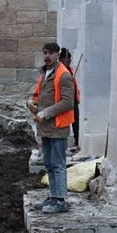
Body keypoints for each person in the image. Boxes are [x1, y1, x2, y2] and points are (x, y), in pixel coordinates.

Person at [31, 40, 78, 213]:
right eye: (45, 53)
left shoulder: (63, 75)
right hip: (45, 128)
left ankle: (60, 200)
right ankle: (53, 196)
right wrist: (32, 103)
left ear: (58, 54)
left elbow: (67, 102)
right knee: (49, 163)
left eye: (51, 53)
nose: (47, 56)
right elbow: (40, 96)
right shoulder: (45, 74)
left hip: (57, 128)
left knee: (58, 164)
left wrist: (46, 113)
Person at [59, 45, 82, 152]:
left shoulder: (70, 70)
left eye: (70, 59)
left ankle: (77, 141)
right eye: (68, 58)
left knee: (76, 121)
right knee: (64, 123)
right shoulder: (59, 71)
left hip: (73, 100)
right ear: (62, 59)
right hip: (63, 100)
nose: (69, 60)